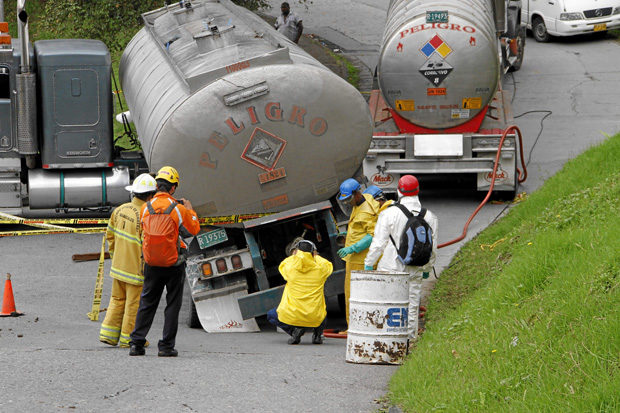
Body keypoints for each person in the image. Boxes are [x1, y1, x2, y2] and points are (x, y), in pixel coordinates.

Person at [129, 166, 200, 357]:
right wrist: (190, 210)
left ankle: (136, 344)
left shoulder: (146, 207)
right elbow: (193, 230)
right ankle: (166, 346)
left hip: (151, 262)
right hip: (173, 263)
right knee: (172, 304)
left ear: (157, 186)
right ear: (173, 188)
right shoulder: (179, 209)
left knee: (147, 302)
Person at [363, 175, 438, 341]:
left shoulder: (389, 214)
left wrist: (368, 264)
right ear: (418, 192)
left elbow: (378, 244)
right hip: (416, 267)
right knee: (412, 305)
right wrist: (426, 269)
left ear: (399, 192)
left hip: (390, 267)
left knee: (388, 304)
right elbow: (432, 248)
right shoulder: (429, 217)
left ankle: (388, 341)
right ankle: (409, 341)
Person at [99, 173, 157, 348]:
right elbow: (148, 245)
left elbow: (110, 236)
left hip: (118, 266)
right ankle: (128, 339)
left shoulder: (119, 210)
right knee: (134, 305)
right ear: (150, 195)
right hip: (135, 270)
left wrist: (115, 256)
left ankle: (108, 335)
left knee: (117, 300)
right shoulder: (146, 214)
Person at [266, 240, 333, 344]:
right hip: (314, 315)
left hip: (293, 314)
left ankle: (295, 332)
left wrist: (296, 256)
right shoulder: (321, 270)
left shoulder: (290, 269)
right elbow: (328, 264)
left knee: (271, 315)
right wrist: (314, 256)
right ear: (313, 253)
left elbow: (283, 264)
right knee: (322, 304)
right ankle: (317, 335)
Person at [337, 179, 380, 329]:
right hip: (355, 259)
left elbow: (372, 235)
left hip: (360, 260)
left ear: (357, 193)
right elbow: (361, 229)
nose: (347, 203)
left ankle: (355, 328)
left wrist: (353, 247)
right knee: (351, 294)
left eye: (348, 199)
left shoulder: (367, 210)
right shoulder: (360, 204)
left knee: (355, 295)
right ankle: (353, 327)